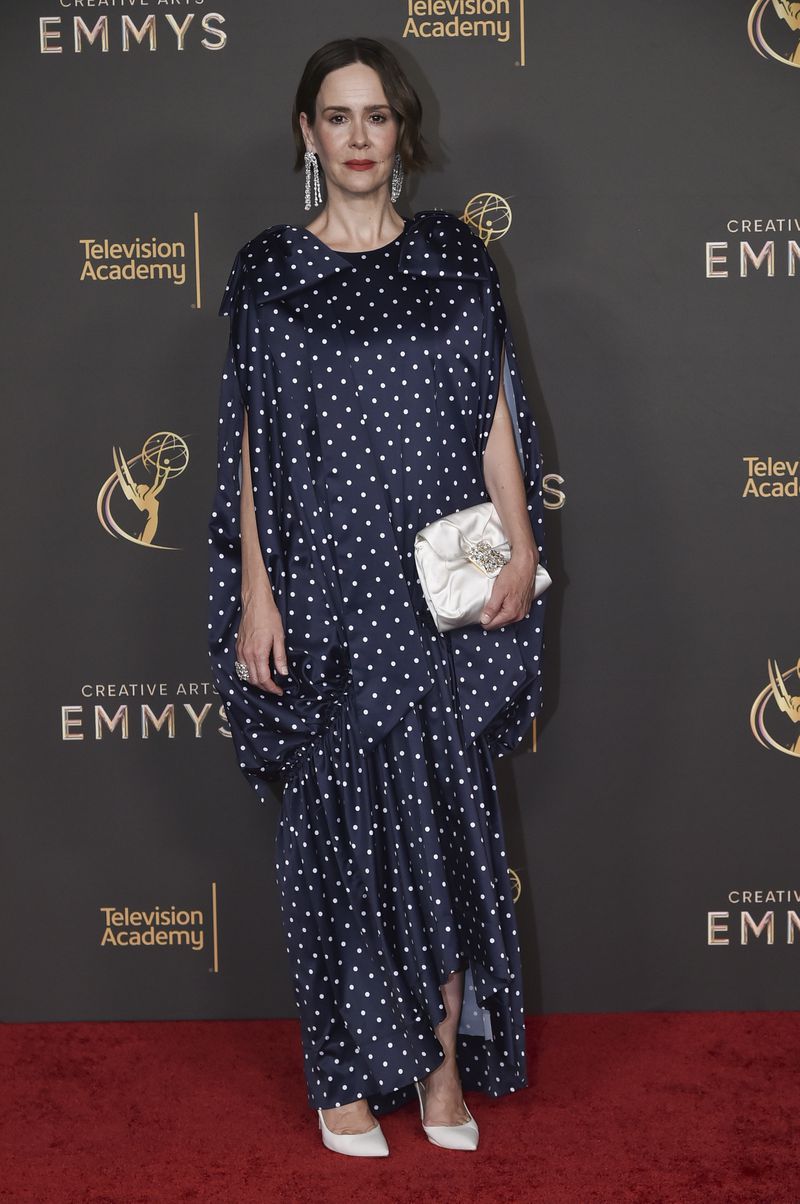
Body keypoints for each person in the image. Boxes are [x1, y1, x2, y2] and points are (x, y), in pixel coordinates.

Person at [207, 36, 548, 1157]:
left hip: (433, 586)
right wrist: (257, 592)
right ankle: (343, 1074)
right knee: (338, 836)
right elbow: (248, 443)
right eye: (336, 117)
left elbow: (492, 412)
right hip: (320, 588)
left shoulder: (455, 257)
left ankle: (442, 1068)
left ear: (403, 132)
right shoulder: (268, 269)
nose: (358, 137)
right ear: (307, 134)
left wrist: (517, 542)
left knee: (447, 830)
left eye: (376, 118)